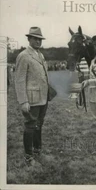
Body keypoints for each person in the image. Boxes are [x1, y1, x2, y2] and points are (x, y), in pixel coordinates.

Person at [15, 27, 49, 166]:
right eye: (35, 38)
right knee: (30, 126)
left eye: (40, 39)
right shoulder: (24, 55)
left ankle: (37, 150)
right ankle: (28, 157)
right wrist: (23, 101)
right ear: (29, 39)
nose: (38, 41)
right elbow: (19, 79)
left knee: (38, 125)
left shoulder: (40, 54)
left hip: (43, 98)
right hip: (32, 99)